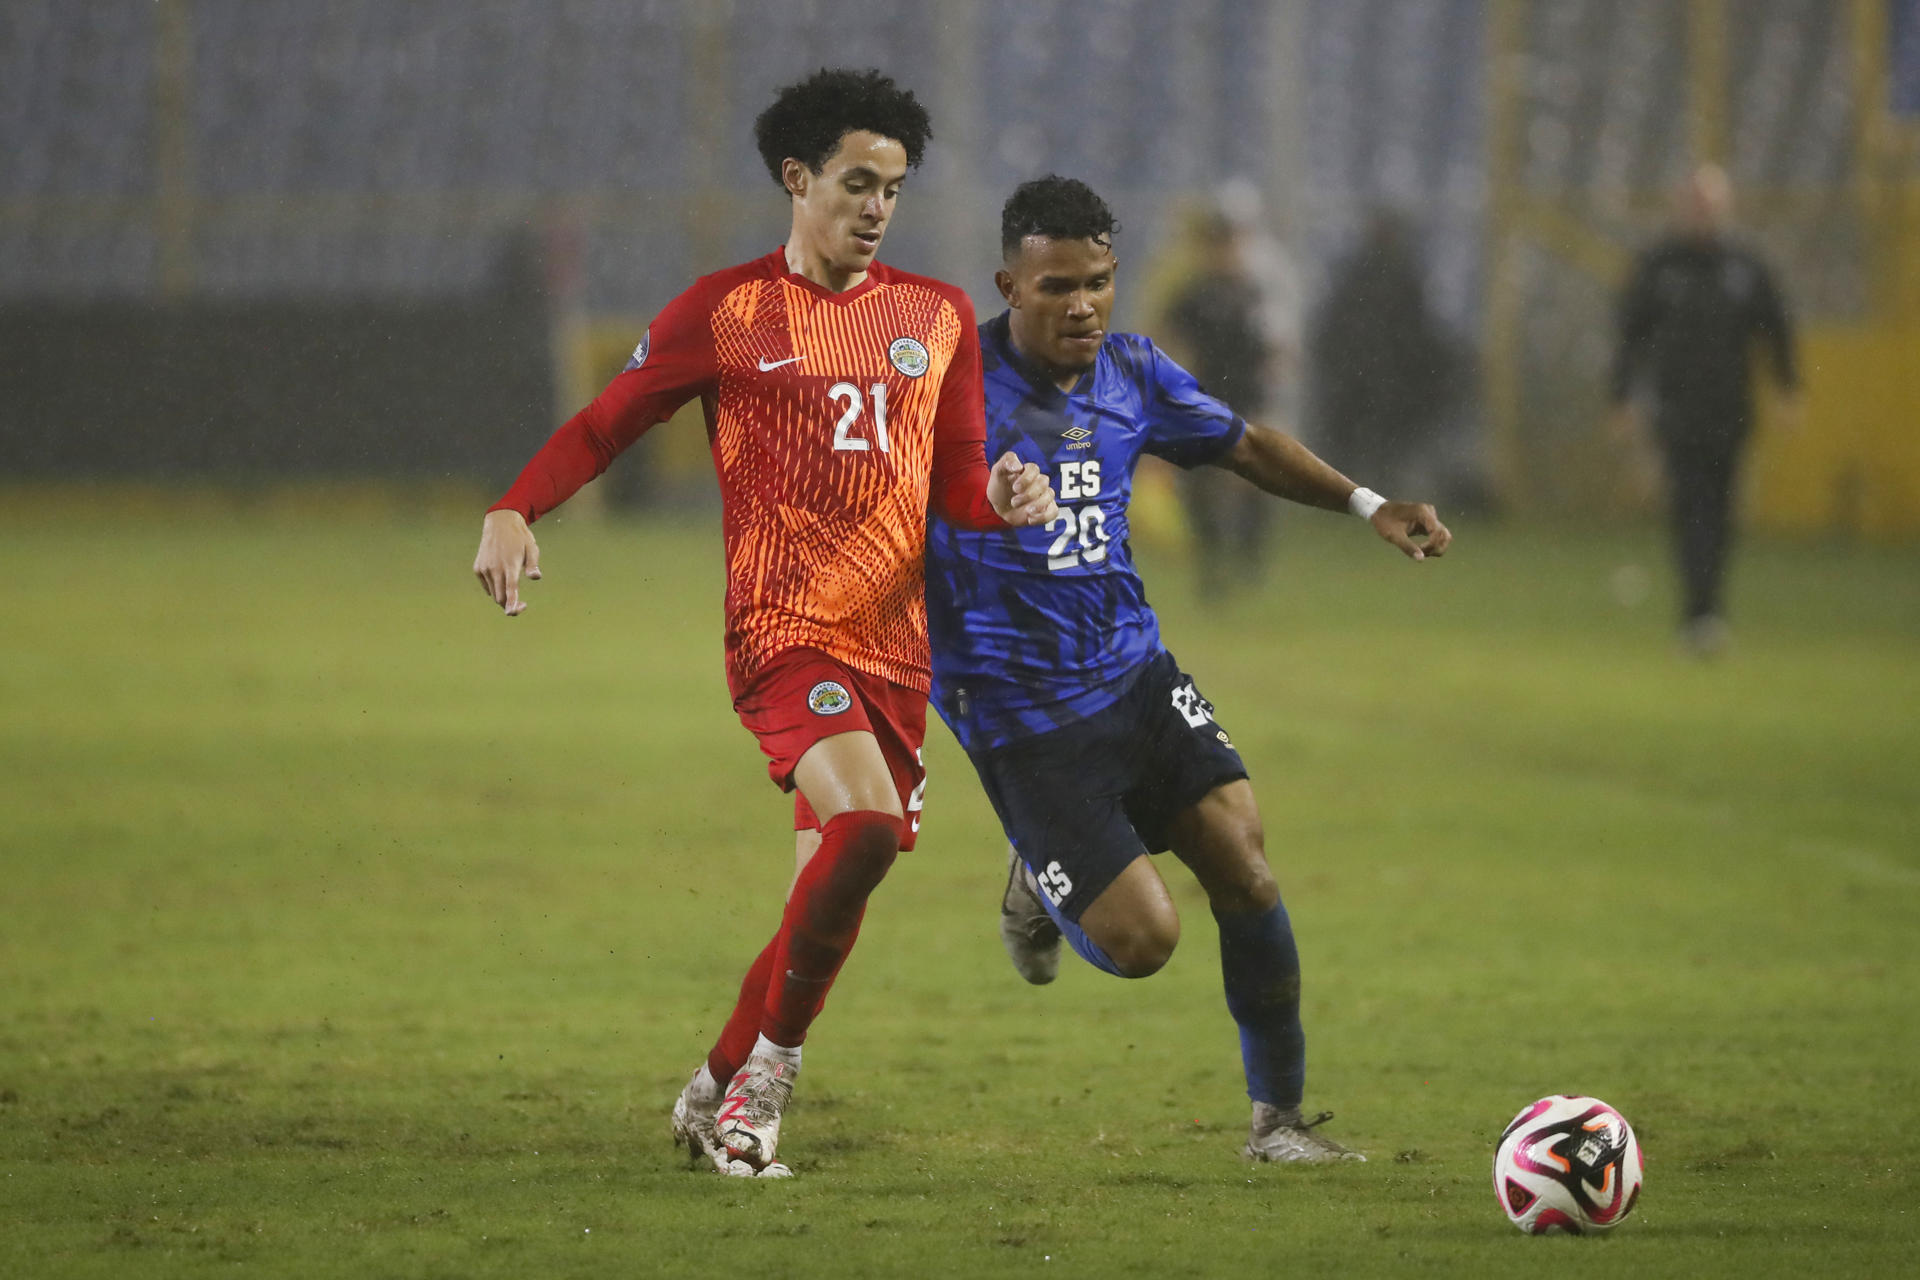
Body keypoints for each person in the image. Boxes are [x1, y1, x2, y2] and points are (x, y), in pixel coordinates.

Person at [470, 69, 1057, 1179]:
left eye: (893, 186)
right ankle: (761, 1095)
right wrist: (514, 505)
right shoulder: (727, 313)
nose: (878, 206)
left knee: (828, 883)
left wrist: (1010, 497)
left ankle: (712, 1082)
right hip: (784, 634)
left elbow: (961, 484)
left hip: (895, 648)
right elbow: (605, 423)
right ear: (798, 179)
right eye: (856, 182)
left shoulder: (933, 320)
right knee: (870, 830)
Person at [923, 176, 1451, 1162]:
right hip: (1018, 705)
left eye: (1099, 281)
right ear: (1009, 283)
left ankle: (1278, 1122)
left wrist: (1366, 502)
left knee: (1245, 862)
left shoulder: (1132, 370)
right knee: (1143, 941)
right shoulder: (947, 388)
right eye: (1057, 287)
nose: (1083, 304)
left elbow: (1244, 445)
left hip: (1131, 669)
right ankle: (1040, 879)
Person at [1608, 163, 1800, 655]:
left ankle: (1707, 608)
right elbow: (1630, 336)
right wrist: (1622, 397)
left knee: (1721, 509)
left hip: (1732, 411)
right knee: (1690, 507)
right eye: (1695, 203)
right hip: (1677, 412)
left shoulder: (1745, 266)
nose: (1703, 213)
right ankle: (1700, 611)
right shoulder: (1658, 266)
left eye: (1710, 204)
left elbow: (1776, 328)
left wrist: (1788, 389)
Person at [1158, 195, 1297, 601]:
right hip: (1204, 396)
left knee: (1254, 476)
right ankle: (1212, 559)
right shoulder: (1194, 295)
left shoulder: (1256, 293)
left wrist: (1274, 381)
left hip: (1249, 396)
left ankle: (1248, 556)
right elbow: (1168, 338)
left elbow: (1277, 346)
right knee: (1201, 480)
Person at [1308, 209, 1453, 498]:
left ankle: (1363, 486)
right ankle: (1360, 486)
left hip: (1380, 372)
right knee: (1370, 435)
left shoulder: (1391, 274)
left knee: (1381, 436)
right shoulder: (1368, 273)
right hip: (1370, 372)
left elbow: (1415, 327)